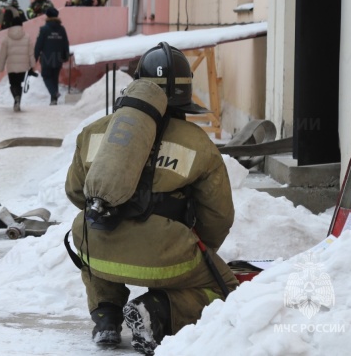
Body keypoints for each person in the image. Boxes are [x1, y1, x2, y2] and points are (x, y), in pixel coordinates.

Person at [64, 42, 237, 354]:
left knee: (92, 228)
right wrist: (194, 249)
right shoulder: (198, 143)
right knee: (226, 291)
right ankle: (154, 310)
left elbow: (77, 194)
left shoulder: (94, 133)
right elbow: (218, 215)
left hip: (97, 251)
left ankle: (106, 316)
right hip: (164, 255)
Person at [0, 10, 34, 112]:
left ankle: (16, 98)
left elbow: (2, 54)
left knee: (13, 85)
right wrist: (32, 64)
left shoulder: (6, 38)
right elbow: (31, 52)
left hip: (11, 67)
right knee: (20, 84)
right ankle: (18, 100)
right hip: (23, 66)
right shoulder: (27, 37)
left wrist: (0, 67)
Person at [33, 7, 70, 105]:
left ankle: (54, 93)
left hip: (47, 57)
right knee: (54, 77)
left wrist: (35, 58)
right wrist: (66, 55)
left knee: (46, 76)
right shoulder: (62, 29)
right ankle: (54, 100)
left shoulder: (44, 29)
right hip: (58, 57)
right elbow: (65, 43)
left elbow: (39, 45)